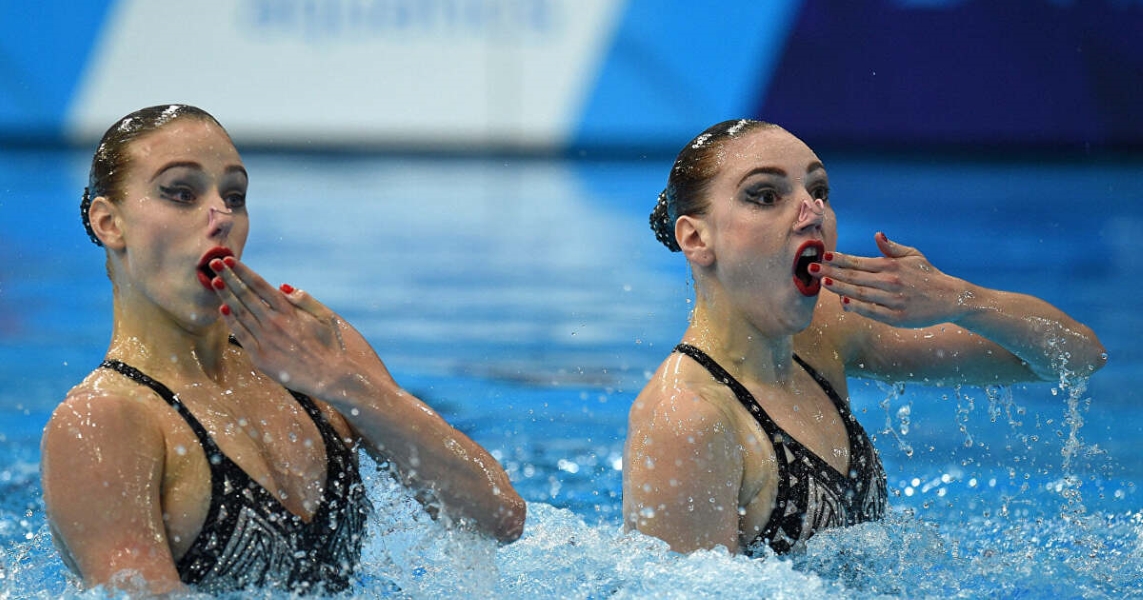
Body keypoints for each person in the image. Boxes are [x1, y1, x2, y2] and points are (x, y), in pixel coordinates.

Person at [40, 104, 526, 596]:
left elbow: (499, 517)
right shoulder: (104, 422)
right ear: (109, 223)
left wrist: (340, 381)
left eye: (235, 196)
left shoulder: (312, 344)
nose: (220, 216)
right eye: (182, 193)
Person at [622, 119, 1107, 556]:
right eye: (767, 195)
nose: (811, 212)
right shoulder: (687, 417)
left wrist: (962, 299)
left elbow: (1076, 357)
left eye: (819, 191)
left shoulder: (826, 331)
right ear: (696, 239)